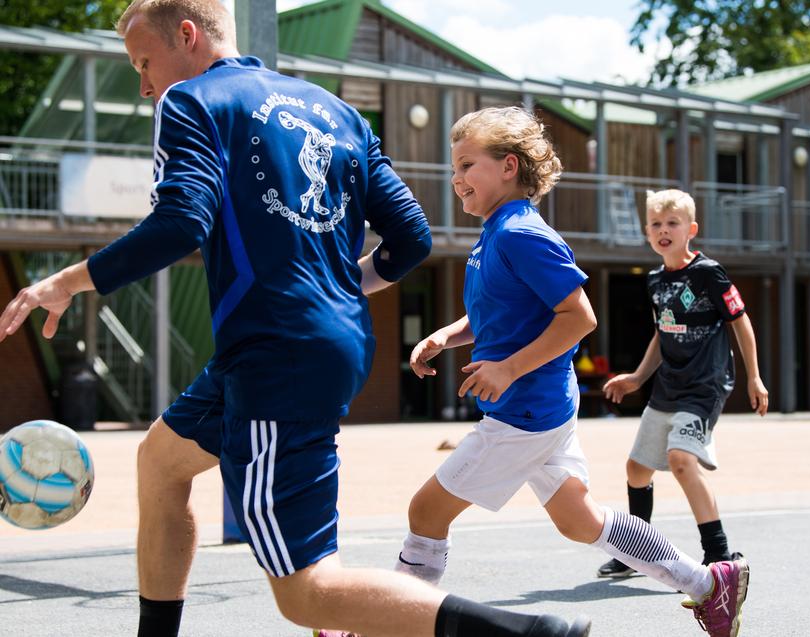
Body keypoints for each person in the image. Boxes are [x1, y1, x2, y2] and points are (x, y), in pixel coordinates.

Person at [0, 2, 593, 636]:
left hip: (274, 357)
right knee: (161, 462)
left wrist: (67, 281)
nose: (145, 85)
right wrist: (338, 286)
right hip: (302, 345)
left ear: (188, 36)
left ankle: (529, 634)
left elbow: (180, 223)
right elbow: (412, 237)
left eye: (144, 63)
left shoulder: (192, 102)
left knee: (307, 592)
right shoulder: (338, 113)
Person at [399, 106, 749, 637]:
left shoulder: (521, 234)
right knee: (579, 519)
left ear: (509, 167)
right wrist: (448, 336)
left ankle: (391, 623)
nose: (456, 178)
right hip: (542, 405)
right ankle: (708, 583)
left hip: (524, 413)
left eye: (468, 165)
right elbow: (504, 311)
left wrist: (509, 369)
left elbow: (579, 317)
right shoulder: (497, 232)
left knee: (426, 512)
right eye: (454, 168)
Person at [596, 189, 769, 584]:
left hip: (705, 385)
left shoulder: (709, 273)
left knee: (681, 460)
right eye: (656, 224)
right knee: (636, 470)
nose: (664, 230)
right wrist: (637, 377)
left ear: (691, 229)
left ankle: (718, 554)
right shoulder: (655, 280)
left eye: (672, 223)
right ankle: (635, 552)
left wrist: (755, 376)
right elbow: (663, 333)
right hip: (668, 386)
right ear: (646, 232)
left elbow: (740, 321)